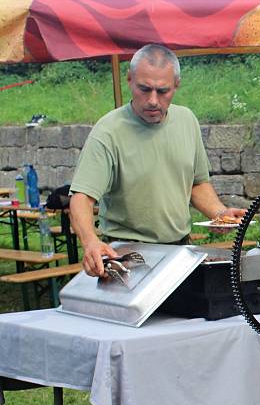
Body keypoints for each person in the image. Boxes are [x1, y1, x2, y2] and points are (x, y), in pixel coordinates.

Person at [69, 44, 245, 277]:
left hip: (180, 251)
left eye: (163, 91)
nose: (153, 100)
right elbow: (81, 197)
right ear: (129, 80)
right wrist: (90, 242)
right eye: (144, 89)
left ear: (176, 85)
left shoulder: (186, 121)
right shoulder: (108, 132)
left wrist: (219, 214)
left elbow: (196, 183)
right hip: (128, 255)